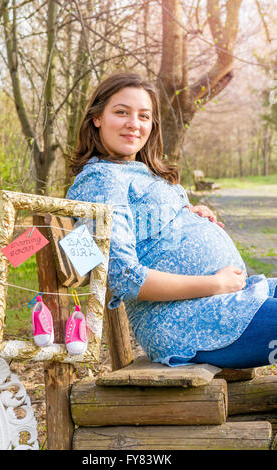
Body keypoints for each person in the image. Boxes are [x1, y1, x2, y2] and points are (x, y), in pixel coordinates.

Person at [66, 72, 277, 369]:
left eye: (144, 116)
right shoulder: (101, 179)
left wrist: (186, 216)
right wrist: (215, 283)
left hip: (225, 303)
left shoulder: (134, 169)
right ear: (97, 118)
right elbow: (124, 279)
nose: (134, 124)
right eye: (121, 112)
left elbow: (145, 229)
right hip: (187, 319)